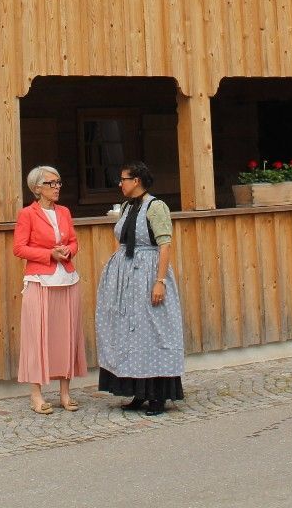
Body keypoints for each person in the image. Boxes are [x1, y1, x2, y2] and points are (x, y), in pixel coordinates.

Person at [95, 160, 184, 415]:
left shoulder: (156, 207)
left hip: (148, 272)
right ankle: (138, 391)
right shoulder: (126, 206)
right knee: (128, 332)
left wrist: (160, 281)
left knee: (153, 330)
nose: (120, 183)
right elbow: (122, 240)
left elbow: (164, 245)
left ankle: (158, 395)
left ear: (136, 181)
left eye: (123, 179)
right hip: (125, 276)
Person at [12, 165, 85, 414]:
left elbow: (73, 240)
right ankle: (36, 395)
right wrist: (48, 254)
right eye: (51, 184)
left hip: (67, 279)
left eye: (58, 183)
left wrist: (69, 250)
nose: (56, 188)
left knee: (66, 335)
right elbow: (19, 248)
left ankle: (65, 393)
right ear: (37, 188)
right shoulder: (27, 214)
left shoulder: (64, 211)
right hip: (40, 281)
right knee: (37, 337)